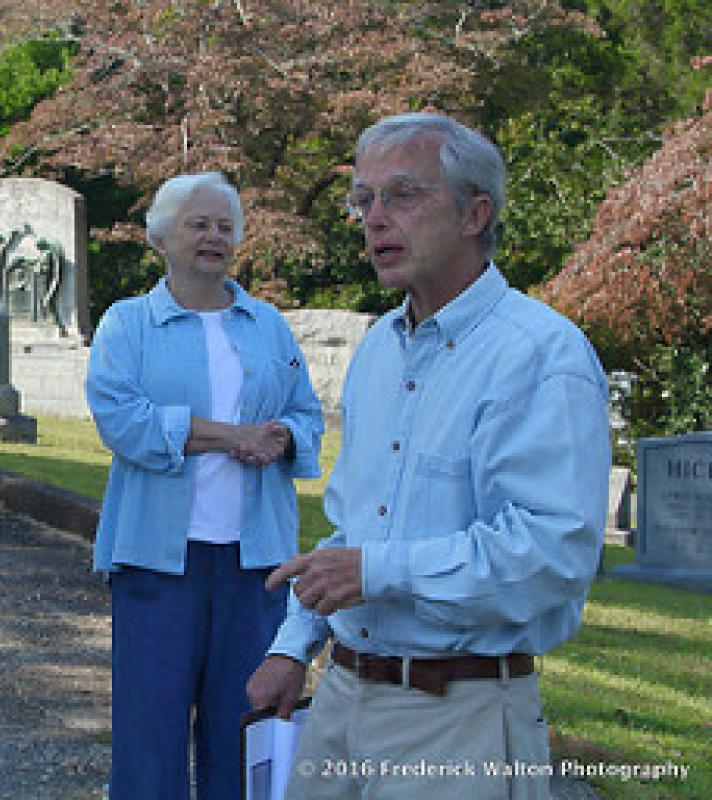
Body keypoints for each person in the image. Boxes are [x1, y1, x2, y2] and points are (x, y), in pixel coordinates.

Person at [247, 112, 611, 800]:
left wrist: (379, 572)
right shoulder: (380, 348)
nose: (374, 219)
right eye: (363, 200)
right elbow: (357, 531)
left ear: (477, 213)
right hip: (340, 704)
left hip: (459, 719)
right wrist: (293, 647)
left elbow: (551, 554)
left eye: (402, 196)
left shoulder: (539, 355)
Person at [85, 171, 324, 800]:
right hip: (157, 560)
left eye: (225, 225)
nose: (214, 237)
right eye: (199, 224)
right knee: (149, 733)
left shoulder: (267, 324)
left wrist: (284, 439)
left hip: (255, 565)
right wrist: (229, 437)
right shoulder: (127, 324)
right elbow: (121, 419)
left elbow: (307, 416)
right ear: (161, 238)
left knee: (243, 726)